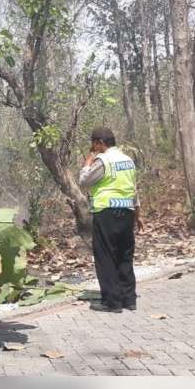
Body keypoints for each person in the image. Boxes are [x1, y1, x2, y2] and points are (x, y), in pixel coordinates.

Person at [79, 127, 145, 313]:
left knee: (106, 256)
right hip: (127, 212)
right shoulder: (128, 160)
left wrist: (88, 162)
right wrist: (138, 215)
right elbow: (133, 189)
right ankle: (129, 299)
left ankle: (112, 302)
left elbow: (84, 181)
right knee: (125, 254)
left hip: (106, 212)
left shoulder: (103, 160)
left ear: (100, 142)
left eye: (94, 144)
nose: (93, 148)